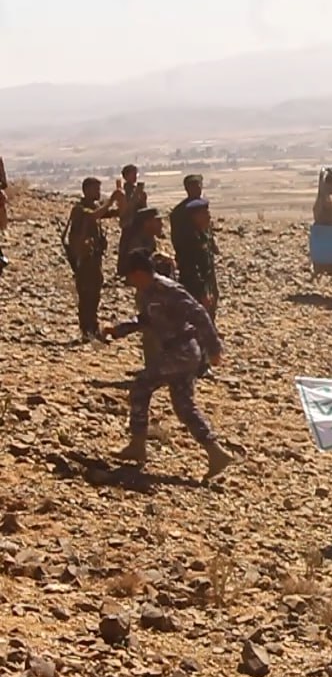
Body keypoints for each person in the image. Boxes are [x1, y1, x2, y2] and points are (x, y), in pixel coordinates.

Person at [103, 248, 233, 482]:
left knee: (141, 387)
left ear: (139, 273)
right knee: (184, 407)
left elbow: (199, 314)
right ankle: (216, 453)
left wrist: (214, 349)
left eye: (131, 276)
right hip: (175, 352)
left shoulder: (168, 289)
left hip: (182, 351)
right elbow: (145, 320)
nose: (130, 282)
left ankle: (137, 445)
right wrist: (118, 330)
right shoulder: (146, 293)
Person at [66, 177, 124, 340]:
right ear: (86, 190)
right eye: (95, 189)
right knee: (86, 293)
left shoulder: (95, 207)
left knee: (95, 292)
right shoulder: (79, 209)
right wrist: (111, 200)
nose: (98, 192)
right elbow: (93, 216)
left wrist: (121, 199)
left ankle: (93, 326)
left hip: (94, 258)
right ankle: (86, 329)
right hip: (84, 259)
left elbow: (117, 213)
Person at [172, 198, 219, 322]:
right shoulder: (189, 239)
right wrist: (202, 293)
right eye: (204, 214)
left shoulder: (202, 234)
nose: (208, 217)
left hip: (205, 283)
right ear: (195, 217)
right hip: (194, 287)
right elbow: (191, 268)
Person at [168, 174, 203, 248]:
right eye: (194, 187)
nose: (199, 189)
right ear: (187, 189)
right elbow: (177, 237)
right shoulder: (179, 211)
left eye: (199, 186)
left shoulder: (202, 206)